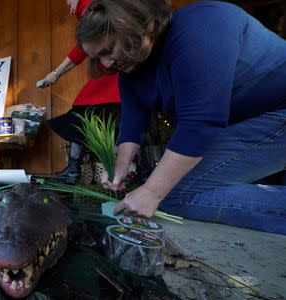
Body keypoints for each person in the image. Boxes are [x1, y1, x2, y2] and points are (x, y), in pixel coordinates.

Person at [76, 0, 286, 234]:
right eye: (98, 58)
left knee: (172, 195)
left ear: (130, 26)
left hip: (278, 113)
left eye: (107, 50)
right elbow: (134, 119)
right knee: (170, 188)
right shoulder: (132, 67)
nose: (106, 64)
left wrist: (152, 192)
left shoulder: (199, 29)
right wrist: (120, 165)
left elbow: (198, 126)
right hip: (254, 122)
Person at [38, 0, 121, 184]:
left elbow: (81, 48)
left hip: (115, 76)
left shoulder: (91, 7)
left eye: (68, 1)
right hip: (114, 77)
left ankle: (74, 169)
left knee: (81, 112)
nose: (68, 6)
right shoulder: (92, 8)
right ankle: (75, 169)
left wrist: (55, 73)